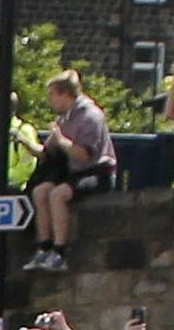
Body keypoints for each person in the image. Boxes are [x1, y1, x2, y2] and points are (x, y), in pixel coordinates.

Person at [25, 72, 116, 270]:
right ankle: (44, 248)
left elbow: (84, 155)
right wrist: (26, 142)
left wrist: (61, 140)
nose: (50, 101)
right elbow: (45, 152)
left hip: (97, 172)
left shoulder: (90, 116)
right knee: (40, 192)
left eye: (52, 95)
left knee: (58, 195)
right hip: (75, 173)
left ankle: (60, 253)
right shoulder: (64, 118)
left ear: (65, 94)